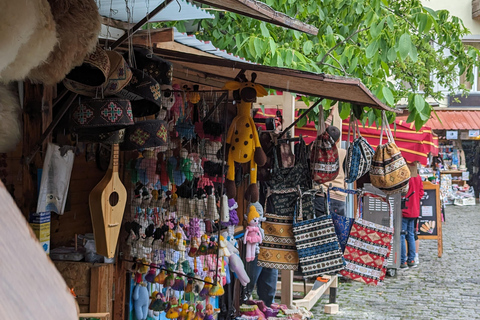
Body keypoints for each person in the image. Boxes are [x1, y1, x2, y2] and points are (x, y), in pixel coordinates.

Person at [400, 168, 424, 269]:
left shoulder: (404, 176)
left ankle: (402, 261)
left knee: (401, 235)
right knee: (410, 234)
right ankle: (412, 259)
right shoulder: (418, 177)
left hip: (404, 209)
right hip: (414, 210)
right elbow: (421, 193)